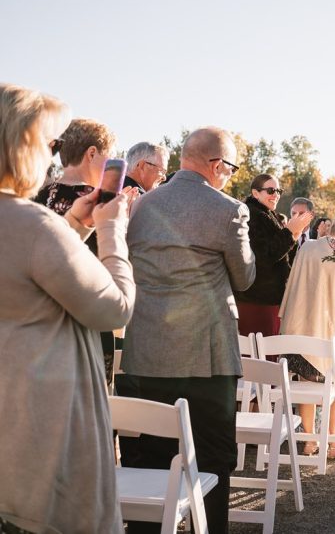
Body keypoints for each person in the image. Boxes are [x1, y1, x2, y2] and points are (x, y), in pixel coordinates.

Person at [0, 84, 135, 534]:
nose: (54, 156)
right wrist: (111, 231)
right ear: (20, 145)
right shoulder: (34, 224)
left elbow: (27, 277)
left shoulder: (37, 226)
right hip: (42, 422)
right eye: (50, 143)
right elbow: (114, 308)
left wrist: (73, 224)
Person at [120, 127, 255, 534]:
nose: (229, 176)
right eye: (230, 168)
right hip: (206, 354)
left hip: (145, 350)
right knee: (212, 457)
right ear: (217, 165)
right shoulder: (228, 208)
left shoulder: (142, 205)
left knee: (146, 458)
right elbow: (245, 277)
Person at [33, 116, 119, 381]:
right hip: (86, 317)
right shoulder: (99, 203)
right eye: (110, 158)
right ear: (92, 153)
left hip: (40, 320)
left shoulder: (37, 194)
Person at [279, 209, 335, 459]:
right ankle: (334, 444)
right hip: (329, 327)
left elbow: (293, 280)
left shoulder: (307, 248)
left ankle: (309, 442)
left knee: (306, 381)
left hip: (300, 323)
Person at [234, 174, 312, 337]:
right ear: (256, 193)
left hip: (267, 299)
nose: (276, 195)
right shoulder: (252, 215)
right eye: (270, 190)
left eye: (278, 190)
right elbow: (264, 256)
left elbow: (282, 255)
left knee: (266, 354)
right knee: (260, 355)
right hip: (257, 299)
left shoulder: (267, 213)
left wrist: (293, 235)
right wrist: (289, 232)